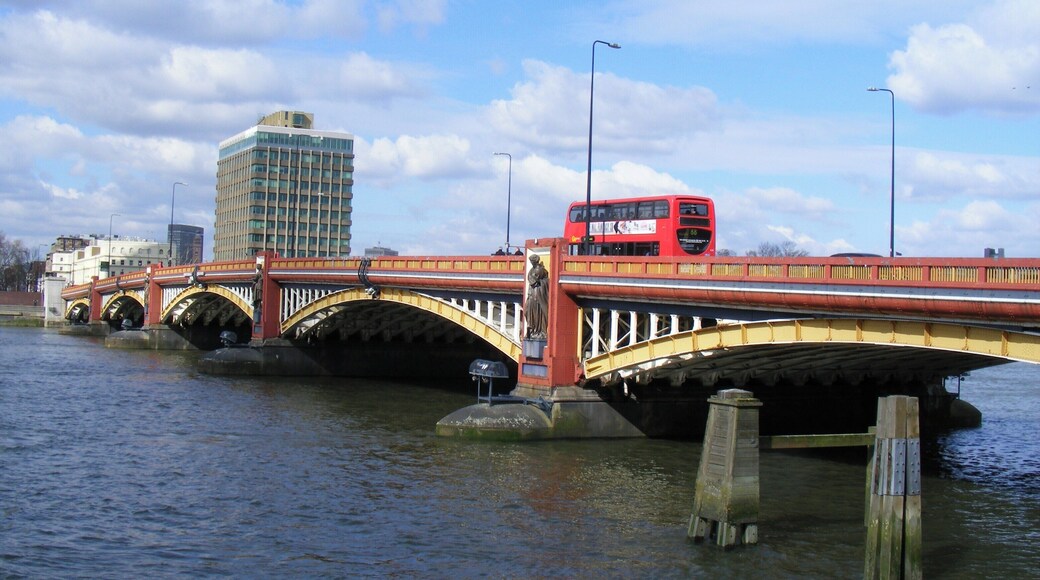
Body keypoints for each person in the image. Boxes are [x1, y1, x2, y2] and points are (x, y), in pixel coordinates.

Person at [525, 254, 549, 339]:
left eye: (531, 261)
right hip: (531, 293)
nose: (531, 262)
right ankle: (532, 330)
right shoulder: (533, 269)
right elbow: (530, 278)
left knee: (536, 313)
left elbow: (533, 281)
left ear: (535, 261)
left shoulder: (539, 270)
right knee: (527, 311)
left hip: (537, 294)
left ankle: (537, 331)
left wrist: (531, 278)